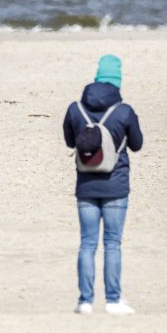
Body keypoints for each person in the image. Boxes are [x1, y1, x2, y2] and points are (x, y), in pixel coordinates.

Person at [63, 54, 144, 315]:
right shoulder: (124, 111)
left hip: (86, 185)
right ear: (117, 80)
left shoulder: (75, 109)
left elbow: (69, 141)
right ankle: (113, 300)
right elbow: (137, 144)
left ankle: (85, 301)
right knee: (112, 243)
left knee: (87, 243)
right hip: (116, 185)